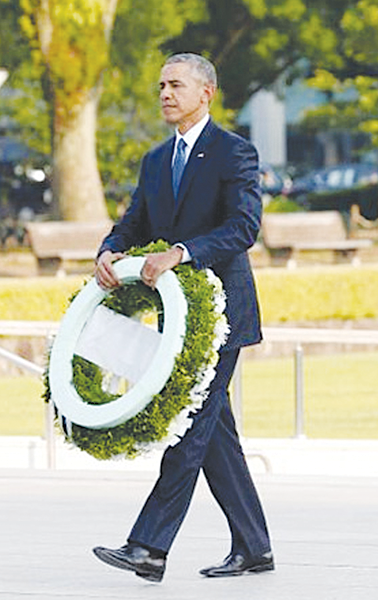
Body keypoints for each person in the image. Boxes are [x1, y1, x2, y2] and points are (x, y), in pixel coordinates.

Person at [91, 52, 273, 583]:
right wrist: (109, 251)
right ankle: (254, 547)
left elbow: (244, 227)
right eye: (161, 85)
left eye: (175, 85)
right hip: (177, 319)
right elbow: (131, 223)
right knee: (214, 434)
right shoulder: (154, 160)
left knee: (189, 426)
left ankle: (149, 546)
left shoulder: (234, 153)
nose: (165, 93)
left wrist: (181, 252)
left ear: (205, 93)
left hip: (223, 316)